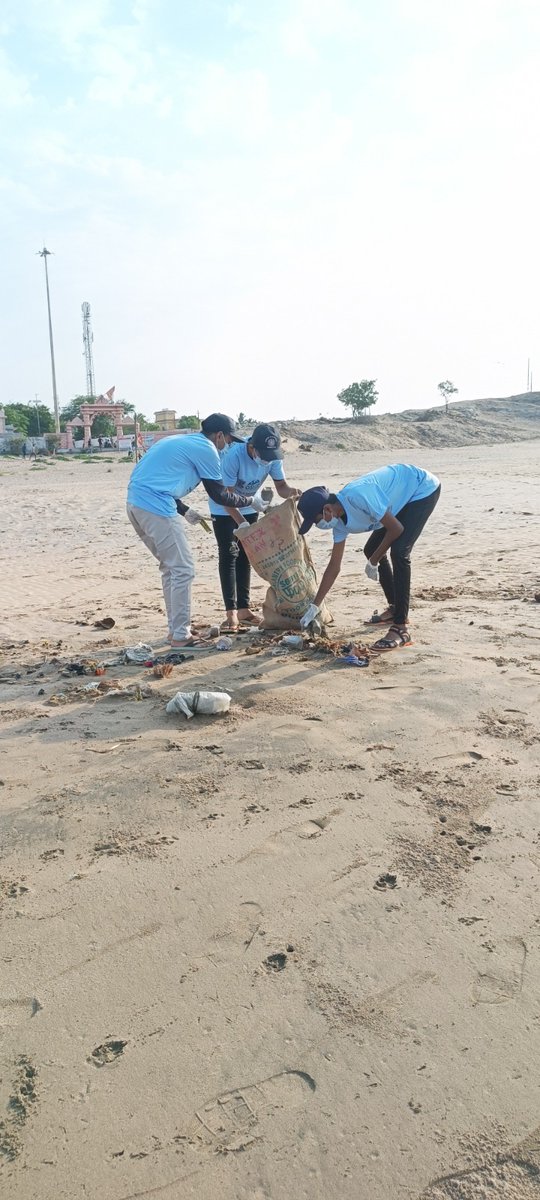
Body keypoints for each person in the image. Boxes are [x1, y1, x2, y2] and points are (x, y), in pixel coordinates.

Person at [126, 414, 265, 647]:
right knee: (183, 569)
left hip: (136, 504)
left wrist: (185, 510)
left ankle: (175, 631)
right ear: (219, 435)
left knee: (171, 568)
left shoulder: (178, 441)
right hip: (155, 507)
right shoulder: (207, 449)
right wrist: (251, 501)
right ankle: (180, 635)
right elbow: (220, 495)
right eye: (229, 441)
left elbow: (157, 480)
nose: (229, 446)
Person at [297, 463, 441, 650]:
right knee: (372, 547)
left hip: (420, 488)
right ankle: (394, 607)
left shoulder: (359, 497)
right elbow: (334, 566)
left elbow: (396, 529)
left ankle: (401, 627)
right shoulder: (338, 523)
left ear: (327, 510)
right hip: (396, 499)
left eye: (316, 521)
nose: (318, 526)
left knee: (399, 552)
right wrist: (315, 606)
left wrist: (374, 561)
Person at [209, 423, 301, 630]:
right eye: (264, 455)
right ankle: (231, 612)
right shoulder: (234, 457)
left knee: (245, 555)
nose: (267, 460)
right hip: (223, 508)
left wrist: (297, 493)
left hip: (251, 505)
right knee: (229, 554)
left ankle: (244, 609)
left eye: (271, 456)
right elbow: (227, 497)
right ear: (251, 447)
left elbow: (282, 488)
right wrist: (240, 523)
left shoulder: (272, 458)